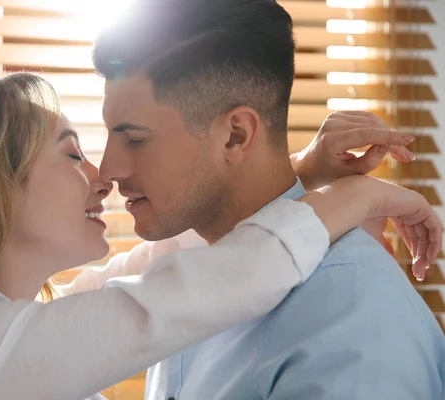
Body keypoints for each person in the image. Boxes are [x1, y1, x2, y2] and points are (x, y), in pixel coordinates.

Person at [0, 73, 438, 400]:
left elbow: (158, 266)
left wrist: (295, 176)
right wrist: (352, 198)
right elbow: (183, 295)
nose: (103, 175)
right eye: (72, 153)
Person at [85, 0, 445, 398]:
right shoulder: (181, 284)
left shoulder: (350, 311)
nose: (107, 170)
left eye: (135, 139)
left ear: (236, 135)